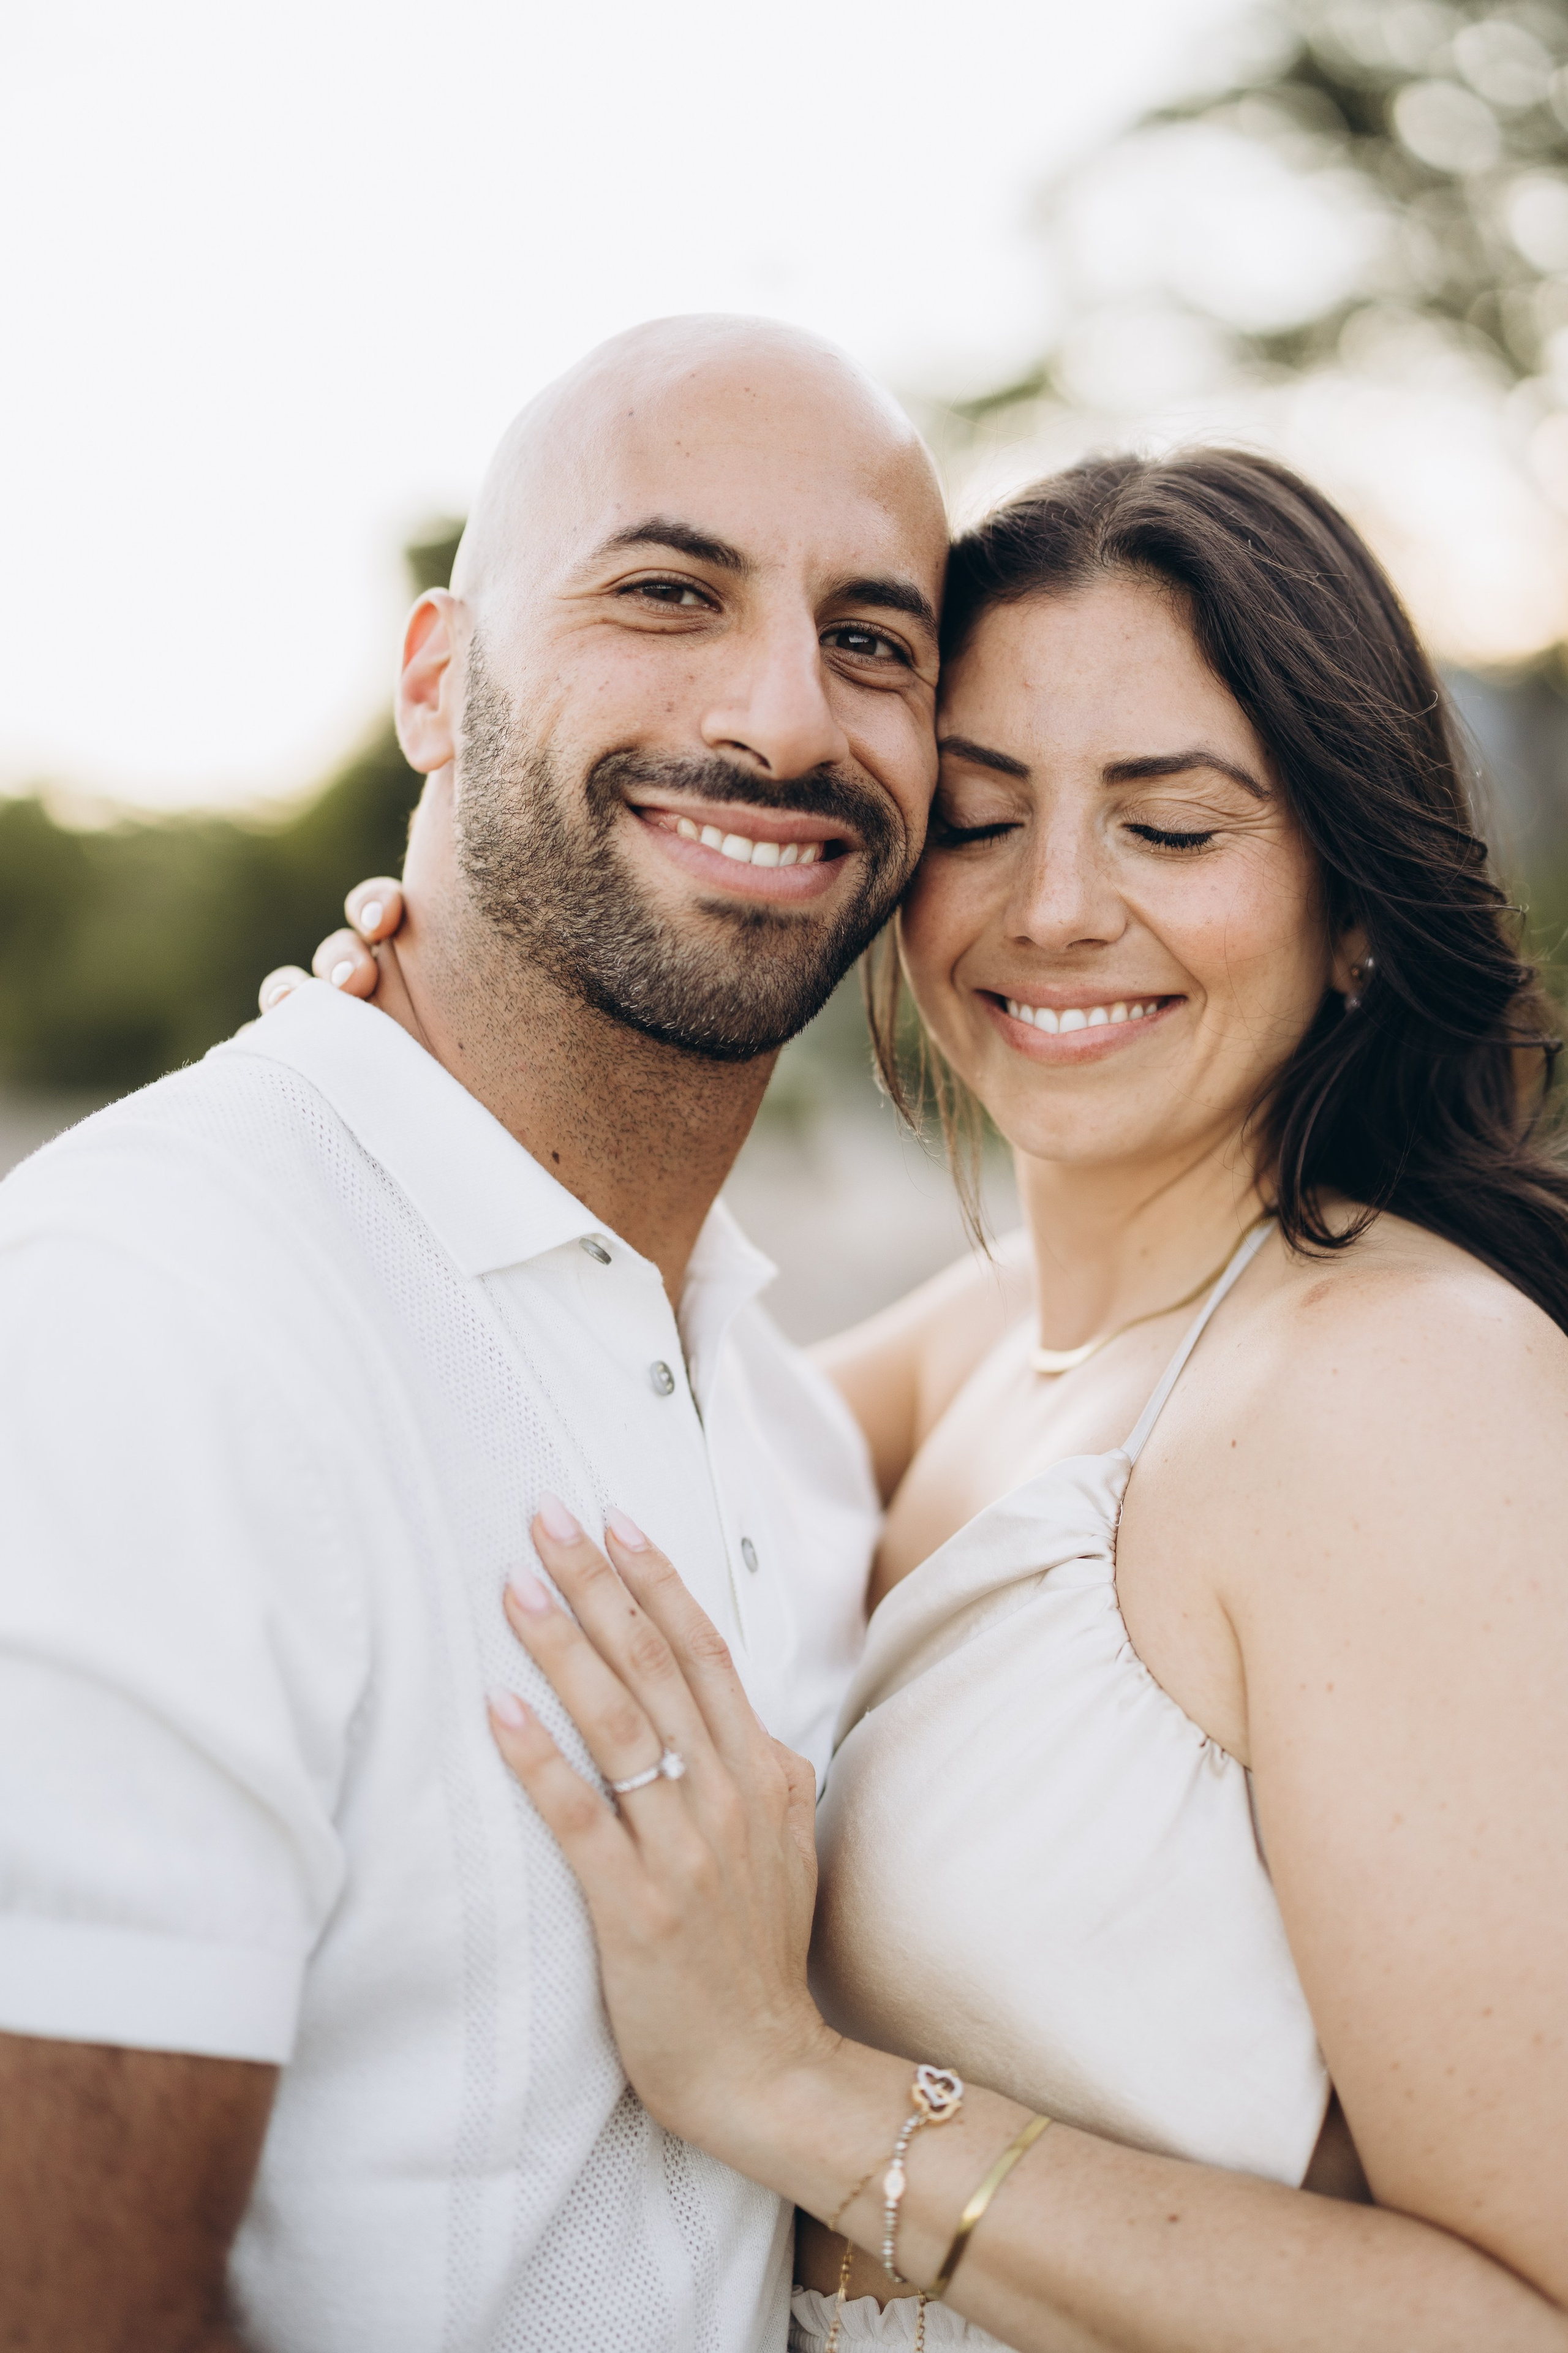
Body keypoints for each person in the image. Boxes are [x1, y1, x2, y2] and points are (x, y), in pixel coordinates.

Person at [341, 450, 1564, 2350]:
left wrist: (782, 2080)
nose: (1054, 908)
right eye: (981, 819)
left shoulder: (1403, 1391)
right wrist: (434, 1043)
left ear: (1356, 908)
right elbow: (514, 1454)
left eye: (1173, 828)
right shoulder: (984, 1342)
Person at [0, 315, 949, 2352]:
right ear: (439, 681)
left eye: (875, 640)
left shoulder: (780, 1417)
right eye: (668, 593)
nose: (787, 715)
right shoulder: (144, 1313)